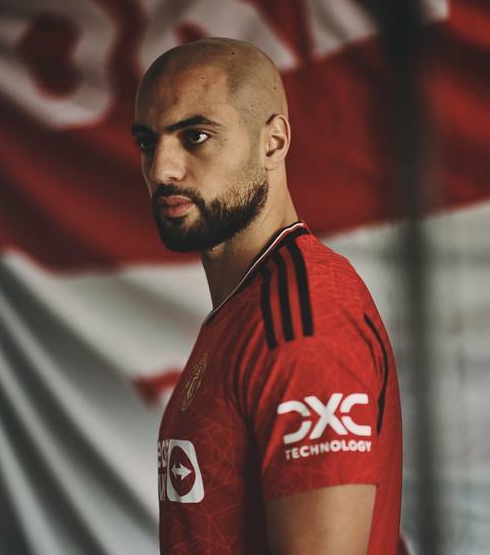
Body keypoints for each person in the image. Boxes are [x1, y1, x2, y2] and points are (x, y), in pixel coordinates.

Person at [132, 37, 402, 555]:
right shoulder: (251, 305)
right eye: (148, 142)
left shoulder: (304, 321)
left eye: (195, 136)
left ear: (273, 143)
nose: (162, 169)